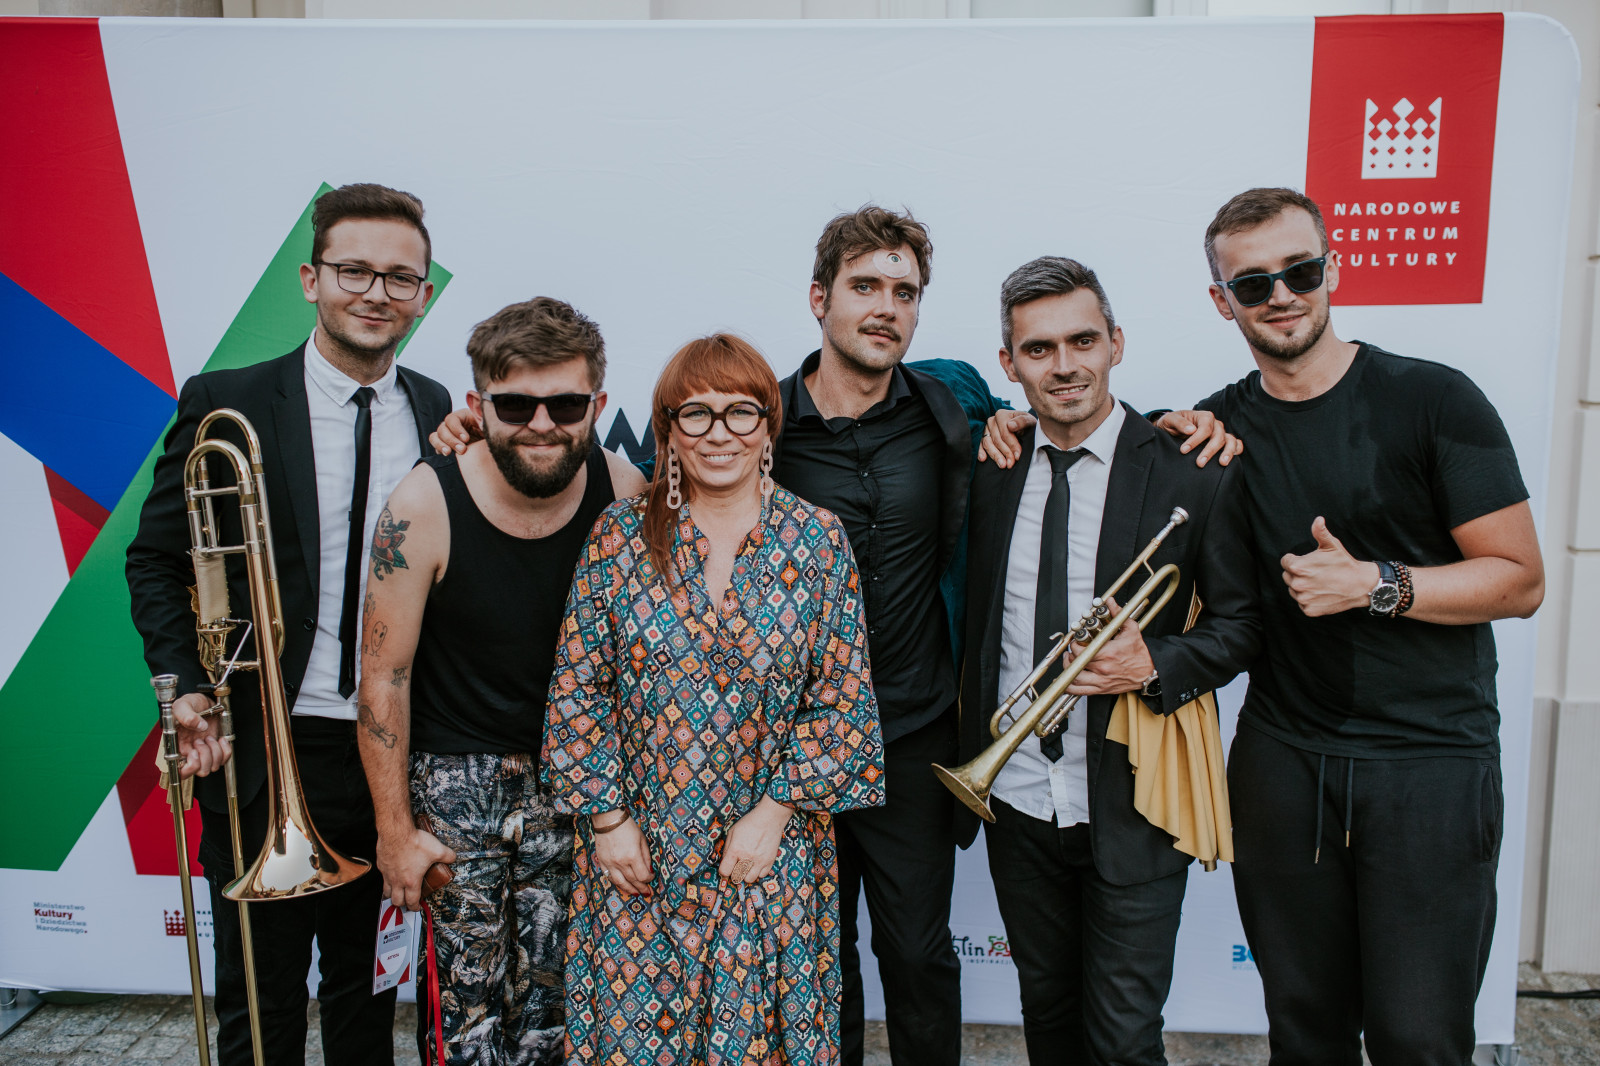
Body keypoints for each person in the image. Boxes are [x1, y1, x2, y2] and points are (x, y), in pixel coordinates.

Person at [1198, 188, 1543, 1062]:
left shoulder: (1433, 398)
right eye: (1253, 283)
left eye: (1301, 271)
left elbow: (1519, 580)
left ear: (1335, 269)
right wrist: (1002, 423)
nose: (1282, 295)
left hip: (1431, 764)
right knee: (1304, 1035)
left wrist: (1375, 584)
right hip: (1284, 763)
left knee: (1419, 1039)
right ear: (1222, 301)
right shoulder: (1214, 430)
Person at [127, 183, 454, 1066]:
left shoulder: (440, 412)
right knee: (259, 1002)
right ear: (312, 279)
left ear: (423, 295)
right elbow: (155, 560)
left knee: (369, 996)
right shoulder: (226, 400)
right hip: (262, 748)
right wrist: (185, 685)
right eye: (355, 271)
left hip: (392, 749)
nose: (376, 293)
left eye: (399, 278)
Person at [541, 333, 885, 1065]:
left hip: (769, 857)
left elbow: (842, 699)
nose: (719, 433)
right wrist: (607, 821)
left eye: (740, 412)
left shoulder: (818, 541)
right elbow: (578, 689)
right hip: (638, 858)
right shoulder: (618, 539)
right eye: (695, 413)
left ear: (768, 425)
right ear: (668, 429)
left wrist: (774, 815)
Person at [960, 256, 1259, 1065]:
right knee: (1048, 1022)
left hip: (1133, 801)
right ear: (1009, 364)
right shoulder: (988, 468)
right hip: (1017, 798)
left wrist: (1154, 662)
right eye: (1039, 348)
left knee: (1125, 1040)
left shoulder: (1192, 468)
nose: (1064, 366)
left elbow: (1243, 625)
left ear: (1116, 344)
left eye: (1083, 341)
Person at [356, 298, 646, 1065]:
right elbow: (383, 678)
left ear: (599, 406)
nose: (541, 424)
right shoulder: (423, 504)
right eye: (515, 405)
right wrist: (395, 834)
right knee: (468, 1025)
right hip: (455, 795)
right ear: (477, 405)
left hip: (583, 792)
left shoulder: (625, 491)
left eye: (566, 405)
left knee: (568, 1016)